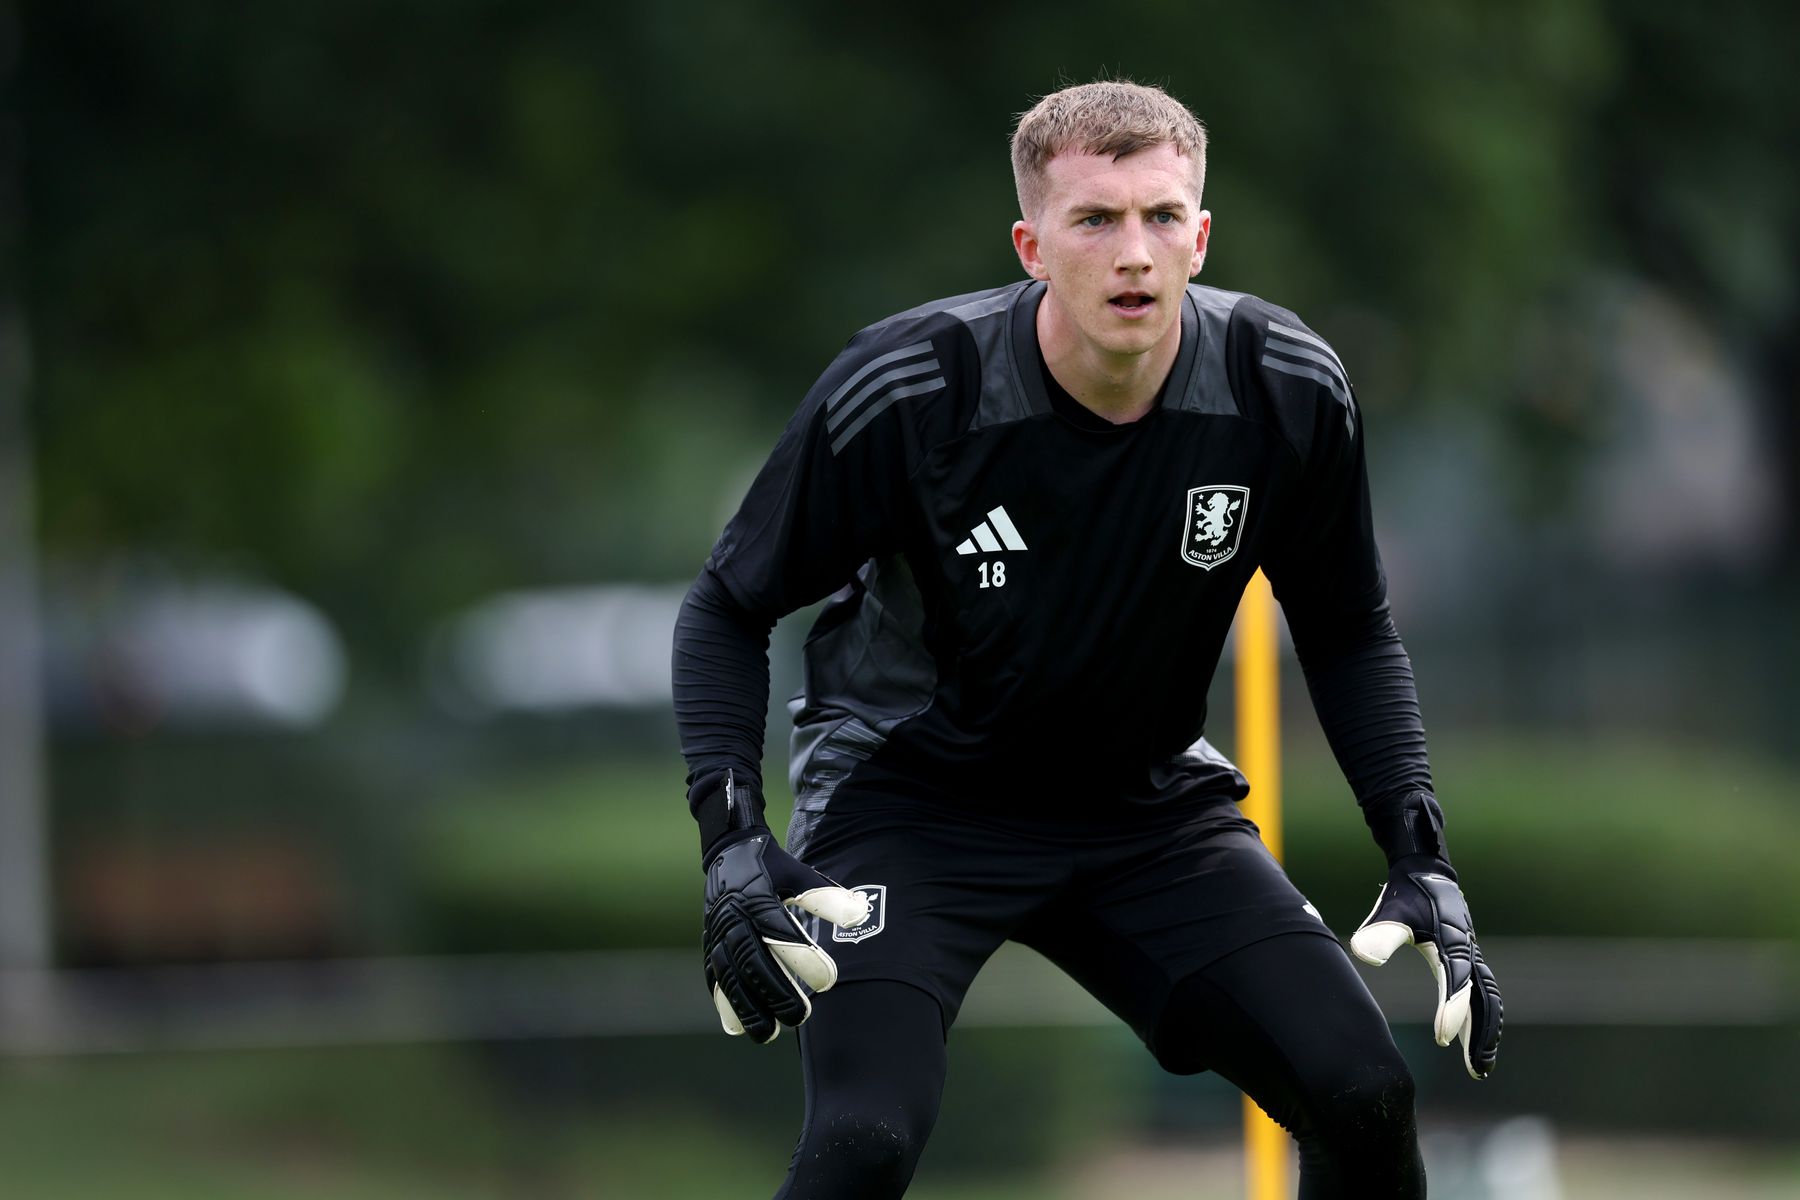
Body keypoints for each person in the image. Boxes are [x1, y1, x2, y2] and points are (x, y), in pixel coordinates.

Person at [672, 78, 1502, 1199]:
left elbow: (1350, 630)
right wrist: (730, 842)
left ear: (1201, 238)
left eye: (1163, 218)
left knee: (1363, 1092)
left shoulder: (1285, 386)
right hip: (909, 803)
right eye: (1096, 220)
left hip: (1144, 808)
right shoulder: (914, 387)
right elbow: (727, 605)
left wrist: (1421, 852)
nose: (1135, 253)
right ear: (1031, 245)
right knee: (862, 1144)